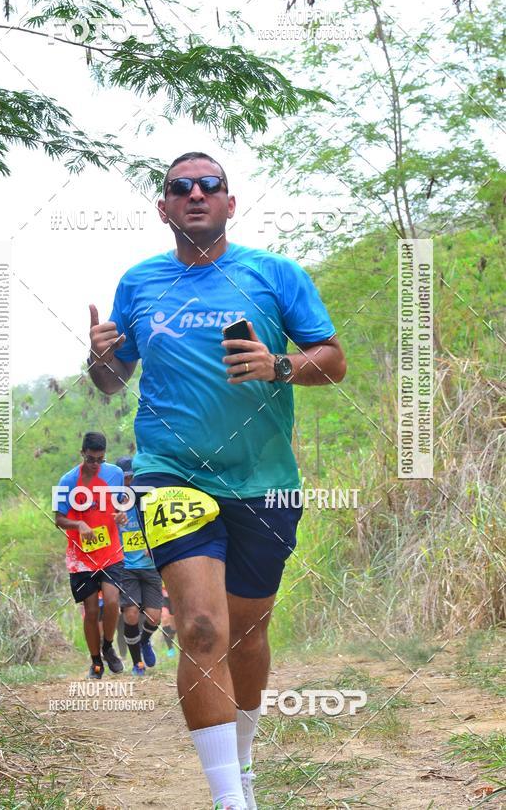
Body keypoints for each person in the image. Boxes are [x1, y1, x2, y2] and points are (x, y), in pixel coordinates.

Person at [87, 152, 346, 809]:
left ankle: (245, 762)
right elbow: (113, 381)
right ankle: (232, 801)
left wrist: (278, 365)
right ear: (164, 207)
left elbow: (333, 361)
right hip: (170, 474)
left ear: (230, 203)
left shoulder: (275, 275)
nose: (196, 194)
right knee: (202, 629)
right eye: (181, 187)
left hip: (264, 481)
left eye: (210, 186)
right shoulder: (140, 284)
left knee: (246, 632)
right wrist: (98, 359)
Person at [55, 431, 126, 679]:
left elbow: (119, 506)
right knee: (91, 610)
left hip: (110, 550)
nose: (96, 464)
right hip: (81, 555)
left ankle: (108, 645)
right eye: (91, 459)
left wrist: (120, 515)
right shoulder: (66, 481)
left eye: (100, 460)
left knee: (112, 600)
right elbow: (59, 520)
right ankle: (96, 661)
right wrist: (80, 525)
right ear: (82, 454)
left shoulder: (115, 474)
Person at [115, 455, 163, 676]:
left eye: (132, 478)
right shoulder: (112, 503)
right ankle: (137, 664)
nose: (129, 483)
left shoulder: (149, 499)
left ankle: (145, 642)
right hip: (126, 566)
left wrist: (152, 543)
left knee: (154, 616)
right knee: (131, 614)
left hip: (150, 565)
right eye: (124, 479)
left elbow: (162, 526)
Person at [161, 586, 177, 658]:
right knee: (165, 617)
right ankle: (170, 648)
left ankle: (171, 638)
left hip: (173, 592)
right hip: (160, 593)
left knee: (174, 623)